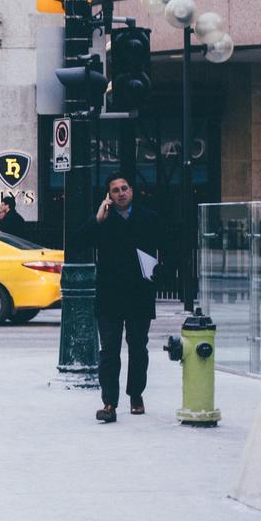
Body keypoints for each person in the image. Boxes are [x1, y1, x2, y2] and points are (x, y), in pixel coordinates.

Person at [86, 173, 163, 423]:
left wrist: (159, 273)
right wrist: (97, 220)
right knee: (109, 351)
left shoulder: (149, 218)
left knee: (138, 348)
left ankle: (136, 394)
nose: (120, 193)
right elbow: (78, 243)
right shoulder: (104, 220)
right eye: (115, 190)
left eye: (124, 188)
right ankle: (109, 402)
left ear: (132, 191)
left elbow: (170, 246)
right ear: (109, 195)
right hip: (109, 296)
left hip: (139, 294)